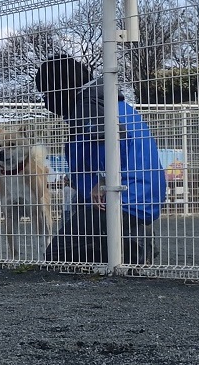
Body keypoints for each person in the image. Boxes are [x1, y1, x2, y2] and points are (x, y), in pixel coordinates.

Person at [34, 53, 167, 264]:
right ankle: (131, 248)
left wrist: (105, 180)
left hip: (124, 198)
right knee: (84, 236)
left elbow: (117, 143)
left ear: (60, 87)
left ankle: (134, 254)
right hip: (138, 194)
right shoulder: (102, 100)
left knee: (57, 255)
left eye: (47, 92)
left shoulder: (90, 106)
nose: (46, 100)